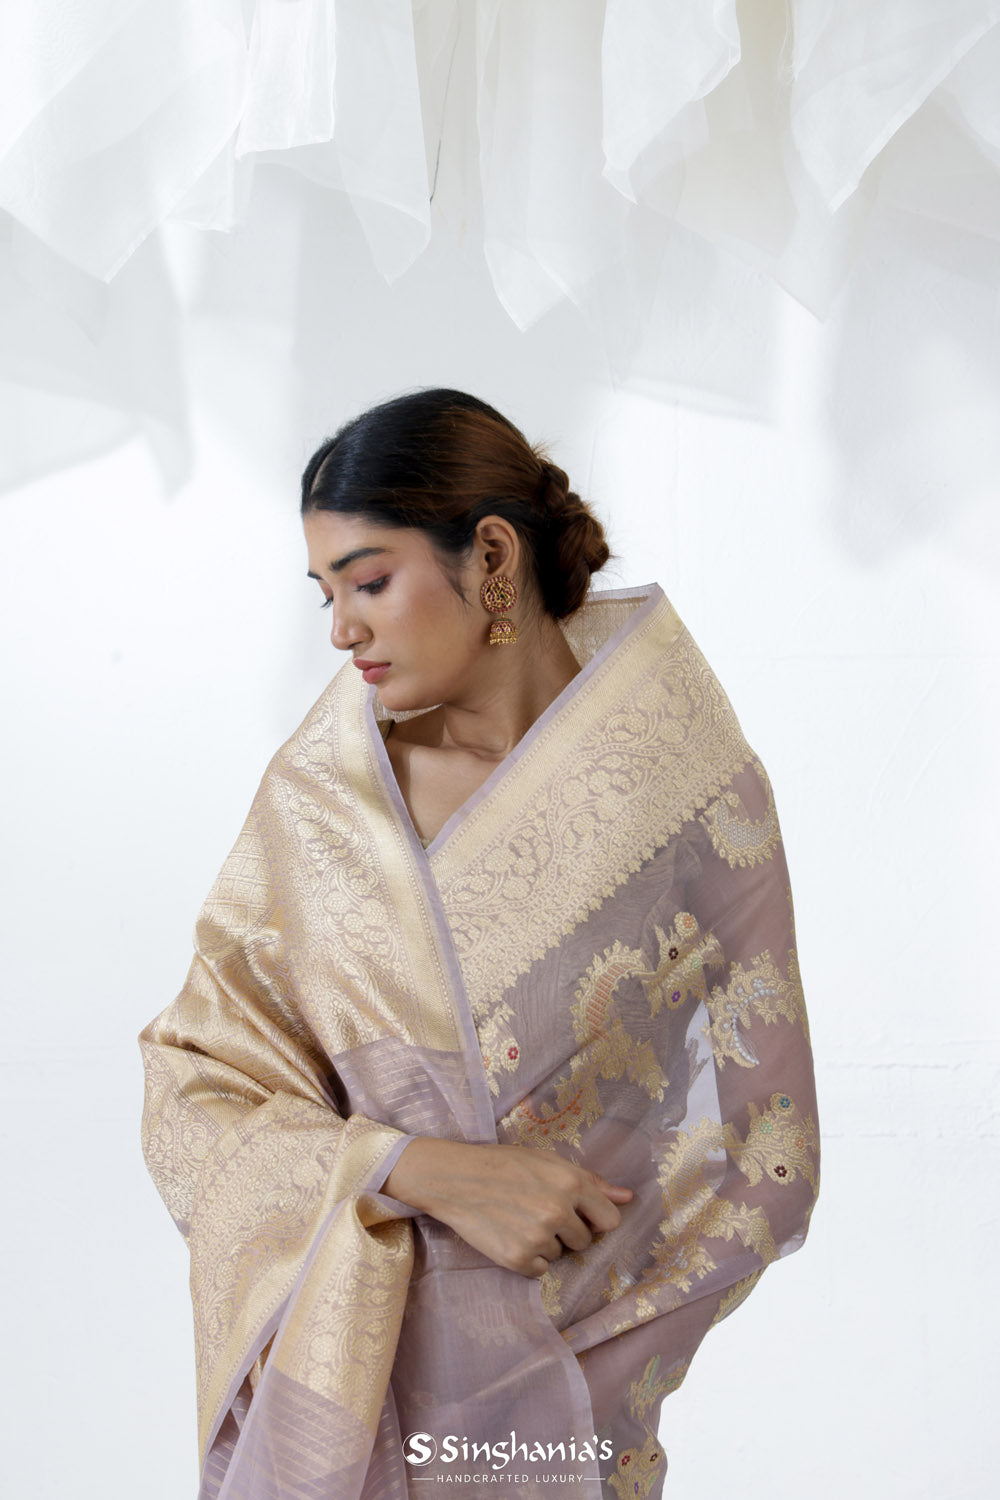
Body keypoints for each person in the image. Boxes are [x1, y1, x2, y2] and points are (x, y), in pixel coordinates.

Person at [138, 389, 820, 1500]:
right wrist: (416, 1171)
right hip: (346, 1393)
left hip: (573, 1414)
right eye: (324, 594)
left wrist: (552, 1398)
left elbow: (768, 1161)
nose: (340, 630)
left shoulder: (684, 792)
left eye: (367, 581)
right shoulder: (322, 807)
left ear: (492, 557)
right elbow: (194, 1089)